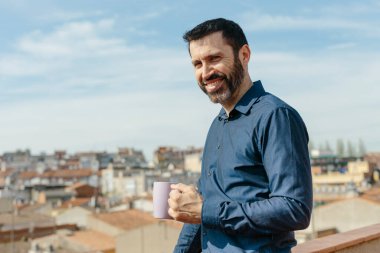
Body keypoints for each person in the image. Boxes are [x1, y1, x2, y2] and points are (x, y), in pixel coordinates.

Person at [168, 18, 313, 253]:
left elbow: (294, 208)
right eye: (197, 64)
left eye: (214, 59)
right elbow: (203, 206)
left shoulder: (276, 116)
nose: (205, 72)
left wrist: (206, 211)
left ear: (244, 55)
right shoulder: (217, 125)